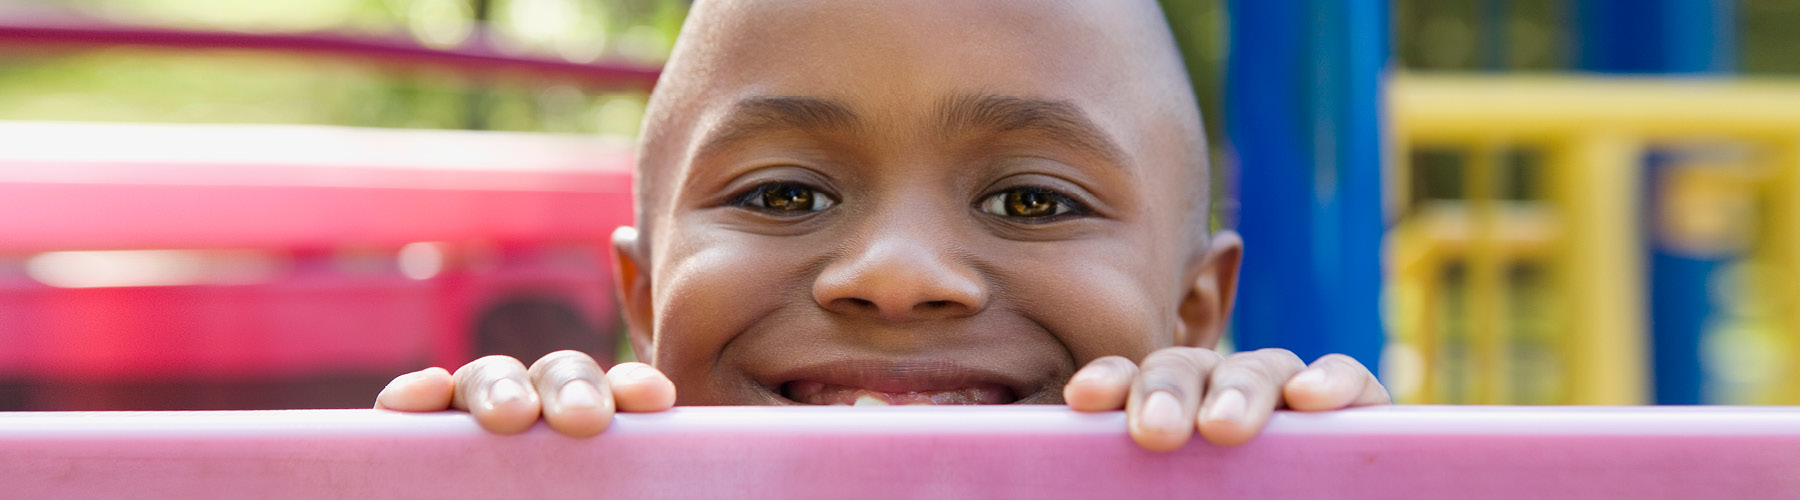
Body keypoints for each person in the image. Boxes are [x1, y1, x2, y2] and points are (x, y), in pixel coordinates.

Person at [375, 0, 1391, 452]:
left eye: (1031, 201)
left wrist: (1298, 476)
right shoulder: (558, 487)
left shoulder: (1228, 481)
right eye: (785, 196)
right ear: (642, 301)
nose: (898, 273)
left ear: (1193, 311)